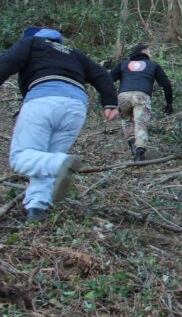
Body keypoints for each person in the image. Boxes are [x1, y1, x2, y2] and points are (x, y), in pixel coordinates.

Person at [0, 28, 118, 224]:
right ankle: (36, 209)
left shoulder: (31, 44)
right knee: (44, 159)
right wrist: (110, 103)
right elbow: (101, 74)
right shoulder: (74, 53)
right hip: (76, 108)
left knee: (21, 156)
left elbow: (8, 62)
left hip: (43, 100)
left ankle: (61, 163)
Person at [109, 43, 173, 162]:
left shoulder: (123, 64)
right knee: (140, 123)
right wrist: (169, 103)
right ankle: (140, 151)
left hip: (122, 97)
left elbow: (108, 79)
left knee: (127, 121)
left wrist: (107, 100)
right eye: (149, 51)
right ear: (143, 52)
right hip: (141, 96)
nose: (151, 54)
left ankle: (133, 147)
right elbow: (166, 84)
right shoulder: (153, 65)